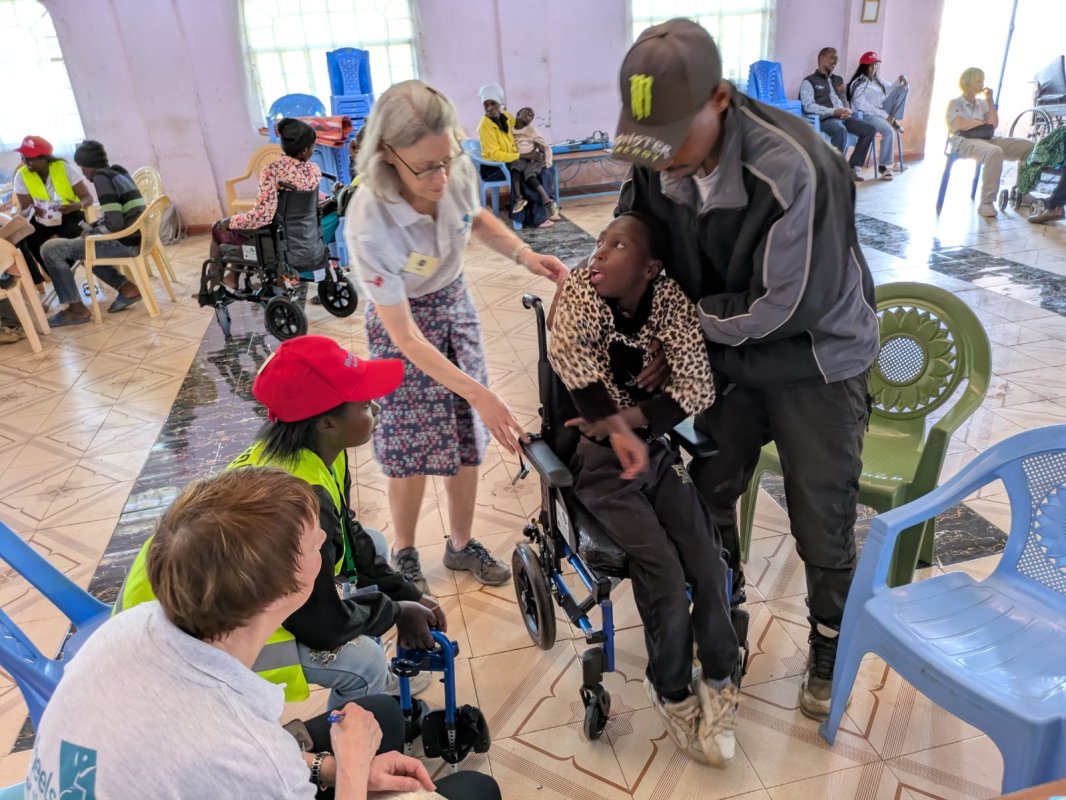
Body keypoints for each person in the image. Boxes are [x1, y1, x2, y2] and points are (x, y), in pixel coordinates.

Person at [613, 19, 879, 721]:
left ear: (721, 99)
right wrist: (620, 264)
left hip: (814, 356)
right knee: (709, 483)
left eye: (675, 141)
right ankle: (722, 612)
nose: (663, 162)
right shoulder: (659, 147)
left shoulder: (800, 168)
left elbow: (782, 305)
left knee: (820, 511)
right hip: (729, 353)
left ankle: (827, 640)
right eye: (652, 146)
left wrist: (680, 326)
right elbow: (639, 221)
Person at [28, 468, 501, 800]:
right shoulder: (250, 754)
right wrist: (354, 768)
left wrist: (328, 767)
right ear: (283, 591)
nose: (324, 542)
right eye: (317, 540)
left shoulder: (133, 626)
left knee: (382, 715)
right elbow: (248, 761)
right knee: (474, 790)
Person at [116, 340, 440, 708]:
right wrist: (394, 612)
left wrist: (406, 595)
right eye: (364, 404)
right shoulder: (302, 501)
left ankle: (376, 686)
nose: (376, 408)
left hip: (213, 590)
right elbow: (322, 627)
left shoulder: (312, 451)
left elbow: (350, 539)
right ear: (328, 422)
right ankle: (354, 740)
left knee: (376, 544)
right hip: (184, 639)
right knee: (362, 660)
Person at [344, 79, 568, 593]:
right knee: (411, 440)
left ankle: (461, 546)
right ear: (387, 154)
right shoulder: (369, 220)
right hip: (401, 325)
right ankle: (404, 552)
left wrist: (524, 254)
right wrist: (481, 392)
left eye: (448, 159)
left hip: (452, 302)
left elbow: (475, 217)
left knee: (466, 437)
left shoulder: (450, 168)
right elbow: (404, 337)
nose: (442, 176)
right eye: (426, 167)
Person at [548, 212, 739, 767]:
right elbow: (572, 362)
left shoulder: (669, 301)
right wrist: (616, 427)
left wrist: (631, 420)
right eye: (600, 241)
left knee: (707, 557)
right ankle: (672, 689)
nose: (599, 253)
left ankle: (722, 677)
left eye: (617, 245)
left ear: (651, 265)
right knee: (663, 567)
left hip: (653, 451)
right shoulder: (582, 289)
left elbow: (697, 385)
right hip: (600, 465)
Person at [37, 140, 144, 326]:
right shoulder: (117, 172)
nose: (84, 175)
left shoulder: (102, 179)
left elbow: (115, 224)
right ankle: (127, 288)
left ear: (87, 166)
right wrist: (94, 227)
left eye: (82, 169)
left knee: (50, 249)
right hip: (135, 238)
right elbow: (118, 215)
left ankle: (75, 309)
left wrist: (93, 232)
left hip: (123, 242)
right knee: (85, 248)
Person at [208, 117, 321, 272]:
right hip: (304, 237)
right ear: (304, 150)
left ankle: (213, 284)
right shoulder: (314, 170)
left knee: (220, 228)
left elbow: (262, 216)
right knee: (242, 226)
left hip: (277, 237)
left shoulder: (273, 170)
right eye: (313, 147)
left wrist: (230, 221)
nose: (313, 150)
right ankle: (233, 277)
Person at [947, 67, 1034, 218]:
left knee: (1029, 147)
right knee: (994, 152)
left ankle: (1023, 192)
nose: (982, 84)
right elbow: (960, 124)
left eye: (983, 81)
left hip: (987, 138)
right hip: (964, 141)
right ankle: (986, 202)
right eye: (978, 81)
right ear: (966, 83)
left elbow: (993, 124)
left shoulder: (983, 103)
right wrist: (981, 124)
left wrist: (990, 100)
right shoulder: (955, 103)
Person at [12, 135, 94, 290]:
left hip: (69, 214)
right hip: (40, 221)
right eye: (23, 157)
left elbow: (87, 198)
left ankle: (64, 273)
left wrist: (76, 205)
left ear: (45, 158)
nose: (26, 162)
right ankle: (60, 278)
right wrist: (32, 210)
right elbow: (24, 211)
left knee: (74, 232)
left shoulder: (64, 168)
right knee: (31, 237)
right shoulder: (21, 176)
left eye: (31, 158)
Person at [477, 83, 558, 226]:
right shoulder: (485, 126)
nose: (489, 108)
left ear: (499, 104)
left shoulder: (506, 116)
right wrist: (524, 156)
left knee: (546, 170)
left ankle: (546, 208)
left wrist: (535, 142)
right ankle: (534, 218)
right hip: (495, 167)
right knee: (525, 175)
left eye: (493, 103)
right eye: (486, 104)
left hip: (511, 158)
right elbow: (495, 154)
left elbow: (522, 128)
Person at [799, 47, 876, 181]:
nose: (836, 61)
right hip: (826, 119)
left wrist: (847, 110)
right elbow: (808, 106)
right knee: (840, 131)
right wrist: (833, 112)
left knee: (870, 129)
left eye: (837, 58)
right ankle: (834, 172)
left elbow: (844, 101)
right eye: (832, 57)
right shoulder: (809, 81)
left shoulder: (838, 80)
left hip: (844, 117)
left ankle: (852, 167)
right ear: (821, 58)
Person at [846, 51, 909, 181]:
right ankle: (883, 166)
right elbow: (864, 107)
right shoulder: (858, 84)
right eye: (870, 65)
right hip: (866, 115)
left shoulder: (876, 80)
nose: (873, 68)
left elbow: (889, 88)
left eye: (875, 65)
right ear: (863, 66)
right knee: (888, 131)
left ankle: (893, 119)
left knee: (904, 88)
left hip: (881, 112)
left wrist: (899, 80)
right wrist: (885, 116)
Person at [513, 106, 560, 219]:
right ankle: (519, 198)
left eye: (532, 116)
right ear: (518, 113)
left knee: (529, 174)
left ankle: (548, 201)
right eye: (527, 113)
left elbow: (545, 146)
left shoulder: (532, 130)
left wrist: (547, 162)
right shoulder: (510, 129)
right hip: (520, 157)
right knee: (515, 167)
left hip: (534, 157)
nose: (529, 116)